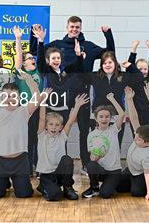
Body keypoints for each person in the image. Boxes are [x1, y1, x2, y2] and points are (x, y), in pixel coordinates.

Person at [29, 16, 115, 170]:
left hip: (82, 93)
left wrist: (108, 34)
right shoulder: (57, 44)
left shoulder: (88, 46)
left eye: (77, 27)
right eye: (72, 27)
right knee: (59, 128)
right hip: (60, 94)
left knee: (84, 129)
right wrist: (34, 35)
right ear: (67, 27)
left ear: (80, 28)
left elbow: (109, 52)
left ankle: (86, 163)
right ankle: (58, 162)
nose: (74, 29)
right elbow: (34, 51)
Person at [0, 72, 50, 198]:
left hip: (20, 161)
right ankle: (2, 180)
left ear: (19, 98)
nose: (10, 99)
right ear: (1, 98)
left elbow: (37, 99)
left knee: (24, 194)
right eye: (6, 96)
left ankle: (14, 181)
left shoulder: (23, 111)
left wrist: (29, 80)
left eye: (13, 96)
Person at [36, 94, 89, 201]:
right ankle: (43, 186)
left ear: (61, 127)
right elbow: (42, 118)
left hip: (59, 173)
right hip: (46, 175)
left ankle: (67, 187)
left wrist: (77, 105)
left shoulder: (62, 136)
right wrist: (43, 102)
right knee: (55, 196)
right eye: (51, 124)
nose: (54, 127)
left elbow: (70, 121)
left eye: (57, 125)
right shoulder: (42, 136)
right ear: (46, 126)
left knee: (67, 159)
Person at [84, 51, 143, 146]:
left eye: (110, 62)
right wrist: (85, 58)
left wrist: (130, 66)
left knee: (115, 145)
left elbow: (139, 78)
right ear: (101, 65)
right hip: (98, 116)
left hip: (117, 116)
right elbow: (81, 76)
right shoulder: (95, 76)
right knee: (98, 145)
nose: (107, 65)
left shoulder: (123, 76)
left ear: (115, 63)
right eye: (104, 63)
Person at [32, 24, 84, 124]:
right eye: (53, 58)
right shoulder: (46, 70)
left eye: (58, 58)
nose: (56, 60)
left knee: (62, 136)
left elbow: (78, 67)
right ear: (48, 61)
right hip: (50, 109)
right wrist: (41, 42)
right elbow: (40, 61)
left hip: (64, 109)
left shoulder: (65, 70)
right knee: (48, 135)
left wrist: (78, 55)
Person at [82, 93, 125, 199]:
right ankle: (94, 187)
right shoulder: (92, 135)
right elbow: (92, 158)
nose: (104, 119)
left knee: (105, 194)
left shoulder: (113, 130)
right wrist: (97, 156)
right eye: (101, 117)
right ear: (96, 119)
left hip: (114, 171)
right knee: (91, 165)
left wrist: (112, 99)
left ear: (110, 118)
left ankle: (113, 184)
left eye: (107, 117)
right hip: (102, 170)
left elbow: (122, 114)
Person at [14, 26, 44, 175]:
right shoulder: (20, 72)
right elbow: (19, 55)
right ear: (24, 63)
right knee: (24, 140)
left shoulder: (39, 71)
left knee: (36, 139)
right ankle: (26, 167)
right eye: (29, 58)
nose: (33, 59)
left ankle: (37, 166)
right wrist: (18, 39)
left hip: (38, 109)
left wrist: (39, 39)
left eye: (33, 58)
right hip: (24, 110)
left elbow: (40, 53)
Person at [119, 87, 149, 201]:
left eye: (138, 140)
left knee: (137, 193)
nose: (135, 139)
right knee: (119, 188)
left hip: (139, 174)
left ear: (147, 143)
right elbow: (134, 118)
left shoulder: (147, 157)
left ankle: (148, 187)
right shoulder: (140, 134)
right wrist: (129, 99)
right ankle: (130, 182)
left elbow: (148, 175)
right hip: (130, 169)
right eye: (136, 137)